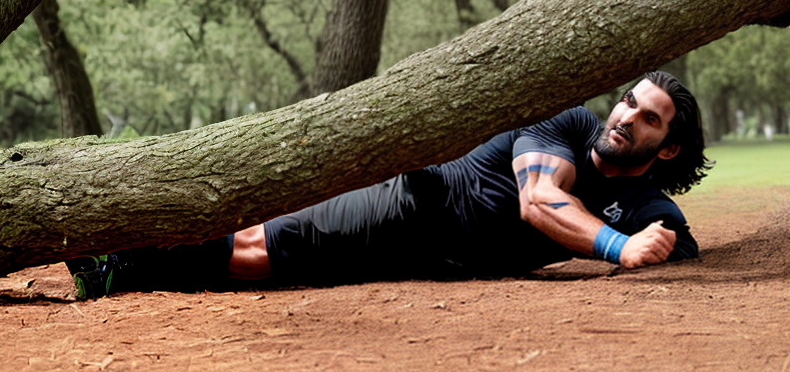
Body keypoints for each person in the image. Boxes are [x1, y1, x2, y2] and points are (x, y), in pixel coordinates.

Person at [67, 71, 713, 299]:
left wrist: (662, 243)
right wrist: (617, 249)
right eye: (628, 100)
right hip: (416, 205)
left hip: (443, 263)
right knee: (263, 248)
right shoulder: (565, 123)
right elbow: (540, 203)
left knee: (278, 266)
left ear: (670, 146)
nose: (625, 116)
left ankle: (128, 263)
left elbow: (673, 237)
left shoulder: (642, 202)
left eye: (647, 116)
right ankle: (122, 260)